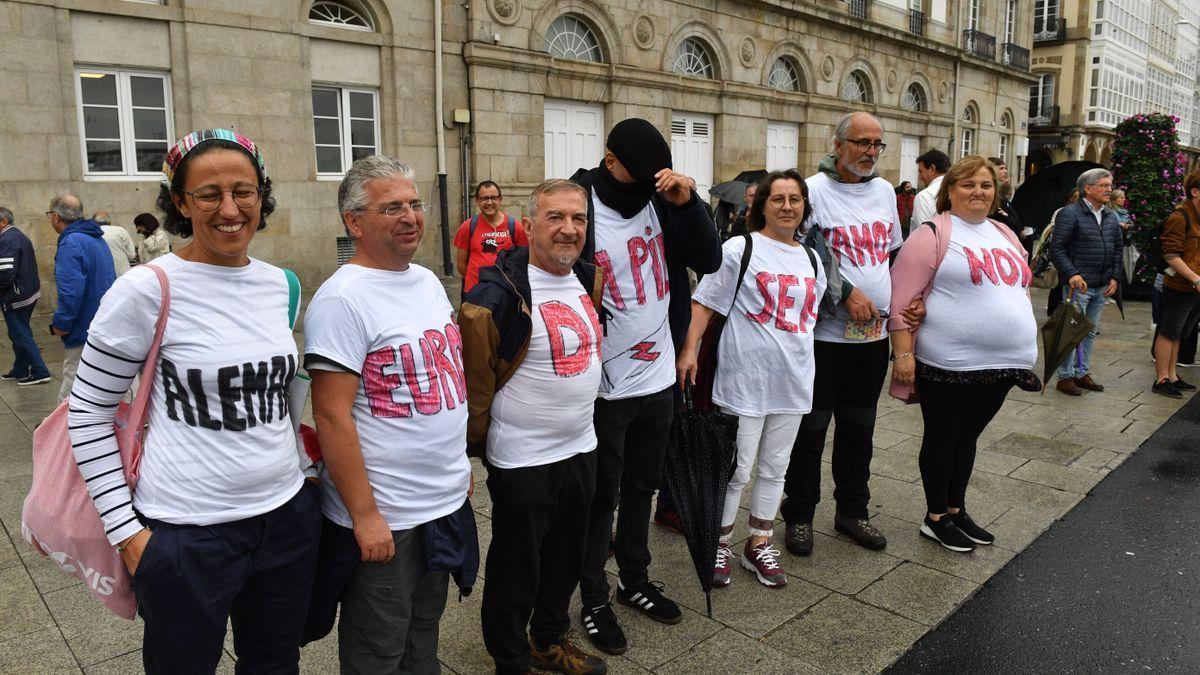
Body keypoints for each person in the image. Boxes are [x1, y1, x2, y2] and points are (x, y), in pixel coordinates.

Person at [67, 128, 320, 673]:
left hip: (285, 520)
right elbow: (88, 413)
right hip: (186, 534)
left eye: (244, 191)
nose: (230, 209)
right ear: (180, 202)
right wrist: (128, 535)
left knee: (275, 663)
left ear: (261, 196)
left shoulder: (281, 285)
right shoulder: (146, 289)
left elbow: (277, 396)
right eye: (209, 194)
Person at [304, 155, 471, 673]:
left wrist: (456, 469)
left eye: (415, 204)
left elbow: (444, 381)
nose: (411, 216)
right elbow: (331, 416)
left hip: (440, 503)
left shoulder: (424, 281)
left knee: (424, 630)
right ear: (355, 222)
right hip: (387, 517)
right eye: (392, 207)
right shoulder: (342, 301)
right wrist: (365, 516)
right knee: (378, 647)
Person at [569, 118, 722, 655]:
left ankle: (634, 579)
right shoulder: (578, 202)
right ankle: (592, 596)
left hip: (657, 377)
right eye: (629, 174)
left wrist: (687, 204)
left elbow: (709, 260)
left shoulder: (662, 201)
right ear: (609, 161)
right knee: (598, 497)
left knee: (641, 487)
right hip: (602, 385)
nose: (635, 189)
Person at [461, 179, 607, 674]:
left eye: (579, 219)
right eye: (556, 218)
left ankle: (548, 641)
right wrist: (472, 449)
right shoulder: (497, 292)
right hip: (523, 458)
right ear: (529, 225)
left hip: (581, 447)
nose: (569, 229)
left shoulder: (587, 276)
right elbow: (476, 380)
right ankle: (511, 658)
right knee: (515, 569)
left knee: (566, 560)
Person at [676, 170, 825, 588]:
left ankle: (758, 542)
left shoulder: (812, 258)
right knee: (737, 469)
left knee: (776, 468)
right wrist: (689, 351)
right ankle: (719, 543)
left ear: (804, 206)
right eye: (778, 198)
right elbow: (704, 303)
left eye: (795, 199)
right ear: (762, 206)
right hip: (744, 378)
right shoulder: (739, 248)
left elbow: (808, 320)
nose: (787, 206)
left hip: (794, 380)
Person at [889, 155, 1039, 553]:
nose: (979, 192)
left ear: (996, 192)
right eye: (969, 185)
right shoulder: (932, 234)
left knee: (968, 437)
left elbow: (1018, 288)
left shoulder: (1004, 232)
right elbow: (903, 298)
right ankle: (935, 517)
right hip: (950, 361)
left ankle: (956, 509)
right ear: (949, 191)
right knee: (944, 436)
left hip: (1004, 362)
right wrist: (903, 356)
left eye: (986, 185)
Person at [780, 112, 903, 557]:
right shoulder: (812, 190)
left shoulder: (886, 191)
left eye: (877, 144)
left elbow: (891, 253)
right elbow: (800, 252)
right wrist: (846, 293)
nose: (870, 151)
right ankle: (798, 515)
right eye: (861, 142)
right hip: (824, 338)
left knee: (860, 430)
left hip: (871, 339)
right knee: (811, 430)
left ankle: (852, 510)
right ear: (838, 144)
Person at [1049, 168, 1123, 396]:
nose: (1109, 189)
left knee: (1089, 332)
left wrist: (1115, 277)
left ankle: (1082, 372)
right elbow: (1057, 248)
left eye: (1110, 185)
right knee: (1071, 331)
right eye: (1104, 185)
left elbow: (1117, 249)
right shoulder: (1070, 214)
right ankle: (1065, 376)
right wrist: (1071, 274)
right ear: (1087, 189)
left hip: (1101, 286)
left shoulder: (1111, 216)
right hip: (1078, 286)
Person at [48, 192, 116, 402]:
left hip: (83, 327)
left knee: (74, 383)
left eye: (49, 214)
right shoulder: (95, 238)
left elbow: (70, 293)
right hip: (103, 321)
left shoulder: (71, 243)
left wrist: (62, 324)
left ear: (56, 217)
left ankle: (62, 432)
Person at [1150, 169, 1200, 398]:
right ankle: (1161, 379)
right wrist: (1195, 278)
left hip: (1194, 290)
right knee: (1168, 332)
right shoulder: (1180, 217)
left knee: (1179, 334)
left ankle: (1172, 375)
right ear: (1195, 191)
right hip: (1180, 287)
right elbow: (1171, 255)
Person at [0, 207, 52, 385]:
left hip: (16, 296)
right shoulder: (17, 235)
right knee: (19, 332)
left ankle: (40, 371)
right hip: (27, 292)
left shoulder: (7, 239)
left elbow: (5, 273)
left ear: (4, 222)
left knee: (20, 334)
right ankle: (20, 369)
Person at [454, 180, 528, 294]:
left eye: (493, 198)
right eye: (484, 198)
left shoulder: (514, 226)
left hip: (505, 293)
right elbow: (461, 266)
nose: (489, 202)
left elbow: (523, 261)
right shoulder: (468, 227)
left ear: (500, 199)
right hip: (476, 293)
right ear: (477, 201)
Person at [986, 158, 1026, 246]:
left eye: (1006, 168)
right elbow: (1001, 217)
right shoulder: (991, 193)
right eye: (1001, 168)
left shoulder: (1002, 194)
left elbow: (1013, 215)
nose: (1005, 171)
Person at [910, 149, 950, 229]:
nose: (920, 177)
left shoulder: (924, 197)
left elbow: (924, 234)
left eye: (921, 171)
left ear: (932, 169)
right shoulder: (958, 191)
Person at [96, 211, 137, 276]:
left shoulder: (92, 233)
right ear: (110, 221)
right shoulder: (121, 230)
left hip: (102, 275)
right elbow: (132, 255)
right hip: (123, 273)